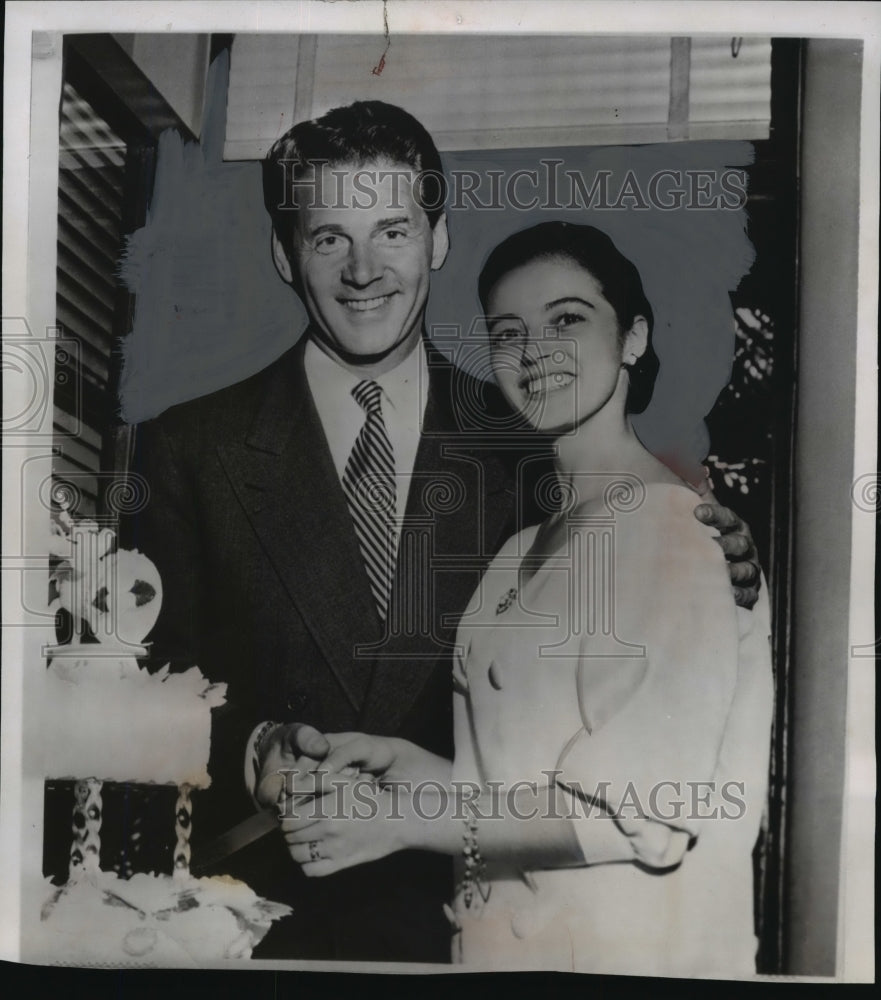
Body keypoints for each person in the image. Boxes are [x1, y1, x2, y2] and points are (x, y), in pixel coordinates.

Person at [130, 102, 762, 963]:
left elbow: (649, 599)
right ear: (284, 255)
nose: (363, 271)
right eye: (328, 239)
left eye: (392, 230)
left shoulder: (536, 439)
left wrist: (722, 545)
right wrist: (255, 750)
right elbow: (134, 696)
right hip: (260, 927)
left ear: (436, 239)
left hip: (504, 928)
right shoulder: (185, 449)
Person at [277, 222, 774, 977]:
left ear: (633, 338)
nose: (534, 350)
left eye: (567, 320)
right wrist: (405, 767)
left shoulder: (676, 529)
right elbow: (517, 784)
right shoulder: (519, 550)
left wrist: (406, 821)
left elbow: (639, 813)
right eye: (508, 332)